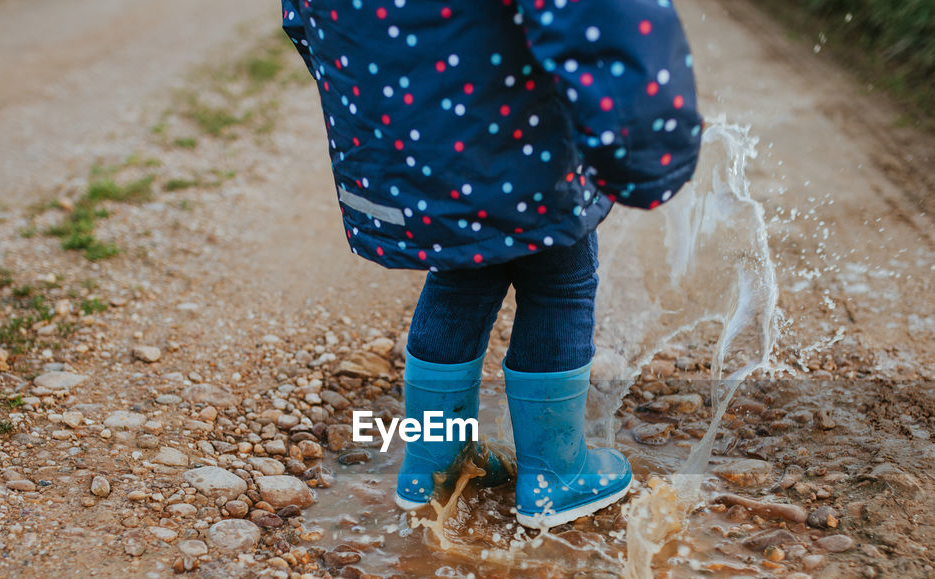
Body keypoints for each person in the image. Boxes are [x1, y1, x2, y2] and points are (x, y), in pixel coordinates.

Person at [282, 0, 701, 527]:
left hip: (420, 129)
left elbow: (304, 19)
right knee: (562, 276)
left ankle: (433, 466)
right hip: (519, 121)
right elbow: (599, 16)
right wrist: (652, 144)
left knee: (462, 270)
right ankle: (554, 477)